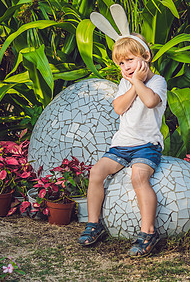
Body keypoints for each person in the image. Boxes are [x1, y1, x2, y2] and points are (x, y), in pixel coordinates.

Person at [77, 31, 167, 258]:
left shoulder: (158, 82)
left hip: (147, 145)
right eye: (121, 62)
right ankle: (94, 224)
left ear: (145, 57)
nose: (125, 66)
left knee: (139, 177)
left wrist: (137, 81)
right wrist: (132, 83)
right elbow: (119, 107)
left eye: (130, 60)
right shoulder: (124, 84)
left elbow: (149, 101)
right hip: (122, 145)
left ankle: (148, 232)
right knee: (97, 172)